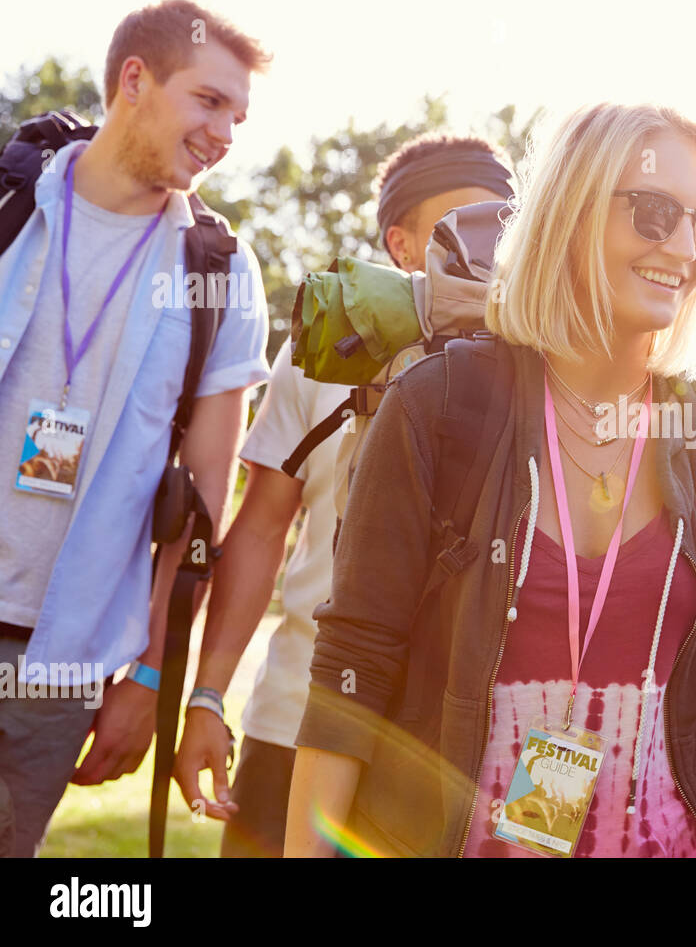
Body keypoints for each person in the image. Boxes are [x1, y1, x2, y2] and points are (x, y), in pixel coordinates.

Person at [284, 102, 696, 858]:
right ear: (571, 211)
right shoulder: (440, 406)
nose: (685, 248)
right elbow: (356, 661)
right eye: (653, 213)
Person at [172, 135, 513, 857]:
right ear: (403, 244)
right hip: (298, 719)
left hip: (453, 752)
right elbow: (261, 529)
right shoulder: (325, 347)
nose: (487, 244)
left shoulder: (548, 367)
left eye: (504, 224)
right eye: (460, 223)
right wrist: (207, 700)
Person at [0, 0, 271, 857]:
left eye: (238, 115)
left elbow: (201, 510)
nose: (225, 132)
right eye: (209, 101)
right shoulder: (9, 201)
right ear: (134, 80)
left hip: (62, 671)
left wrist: (150, 676)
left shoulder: (218, 273)